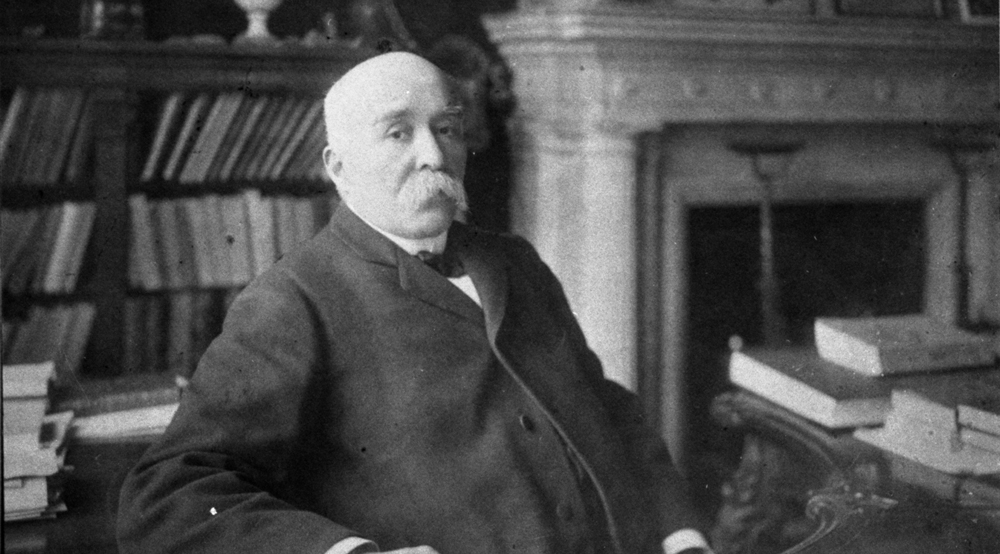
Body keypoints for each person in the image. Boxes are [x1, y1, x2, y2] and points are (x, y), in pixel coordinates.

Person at [117, 52, 713, 554]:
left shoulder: (515, 261)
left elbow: (606, 408)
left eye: (446, 128)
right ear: (338, 167)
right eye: (399, 132)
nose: (433, 154)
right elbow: (168, 492)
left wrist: (680, 535)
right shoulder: (291, 301)